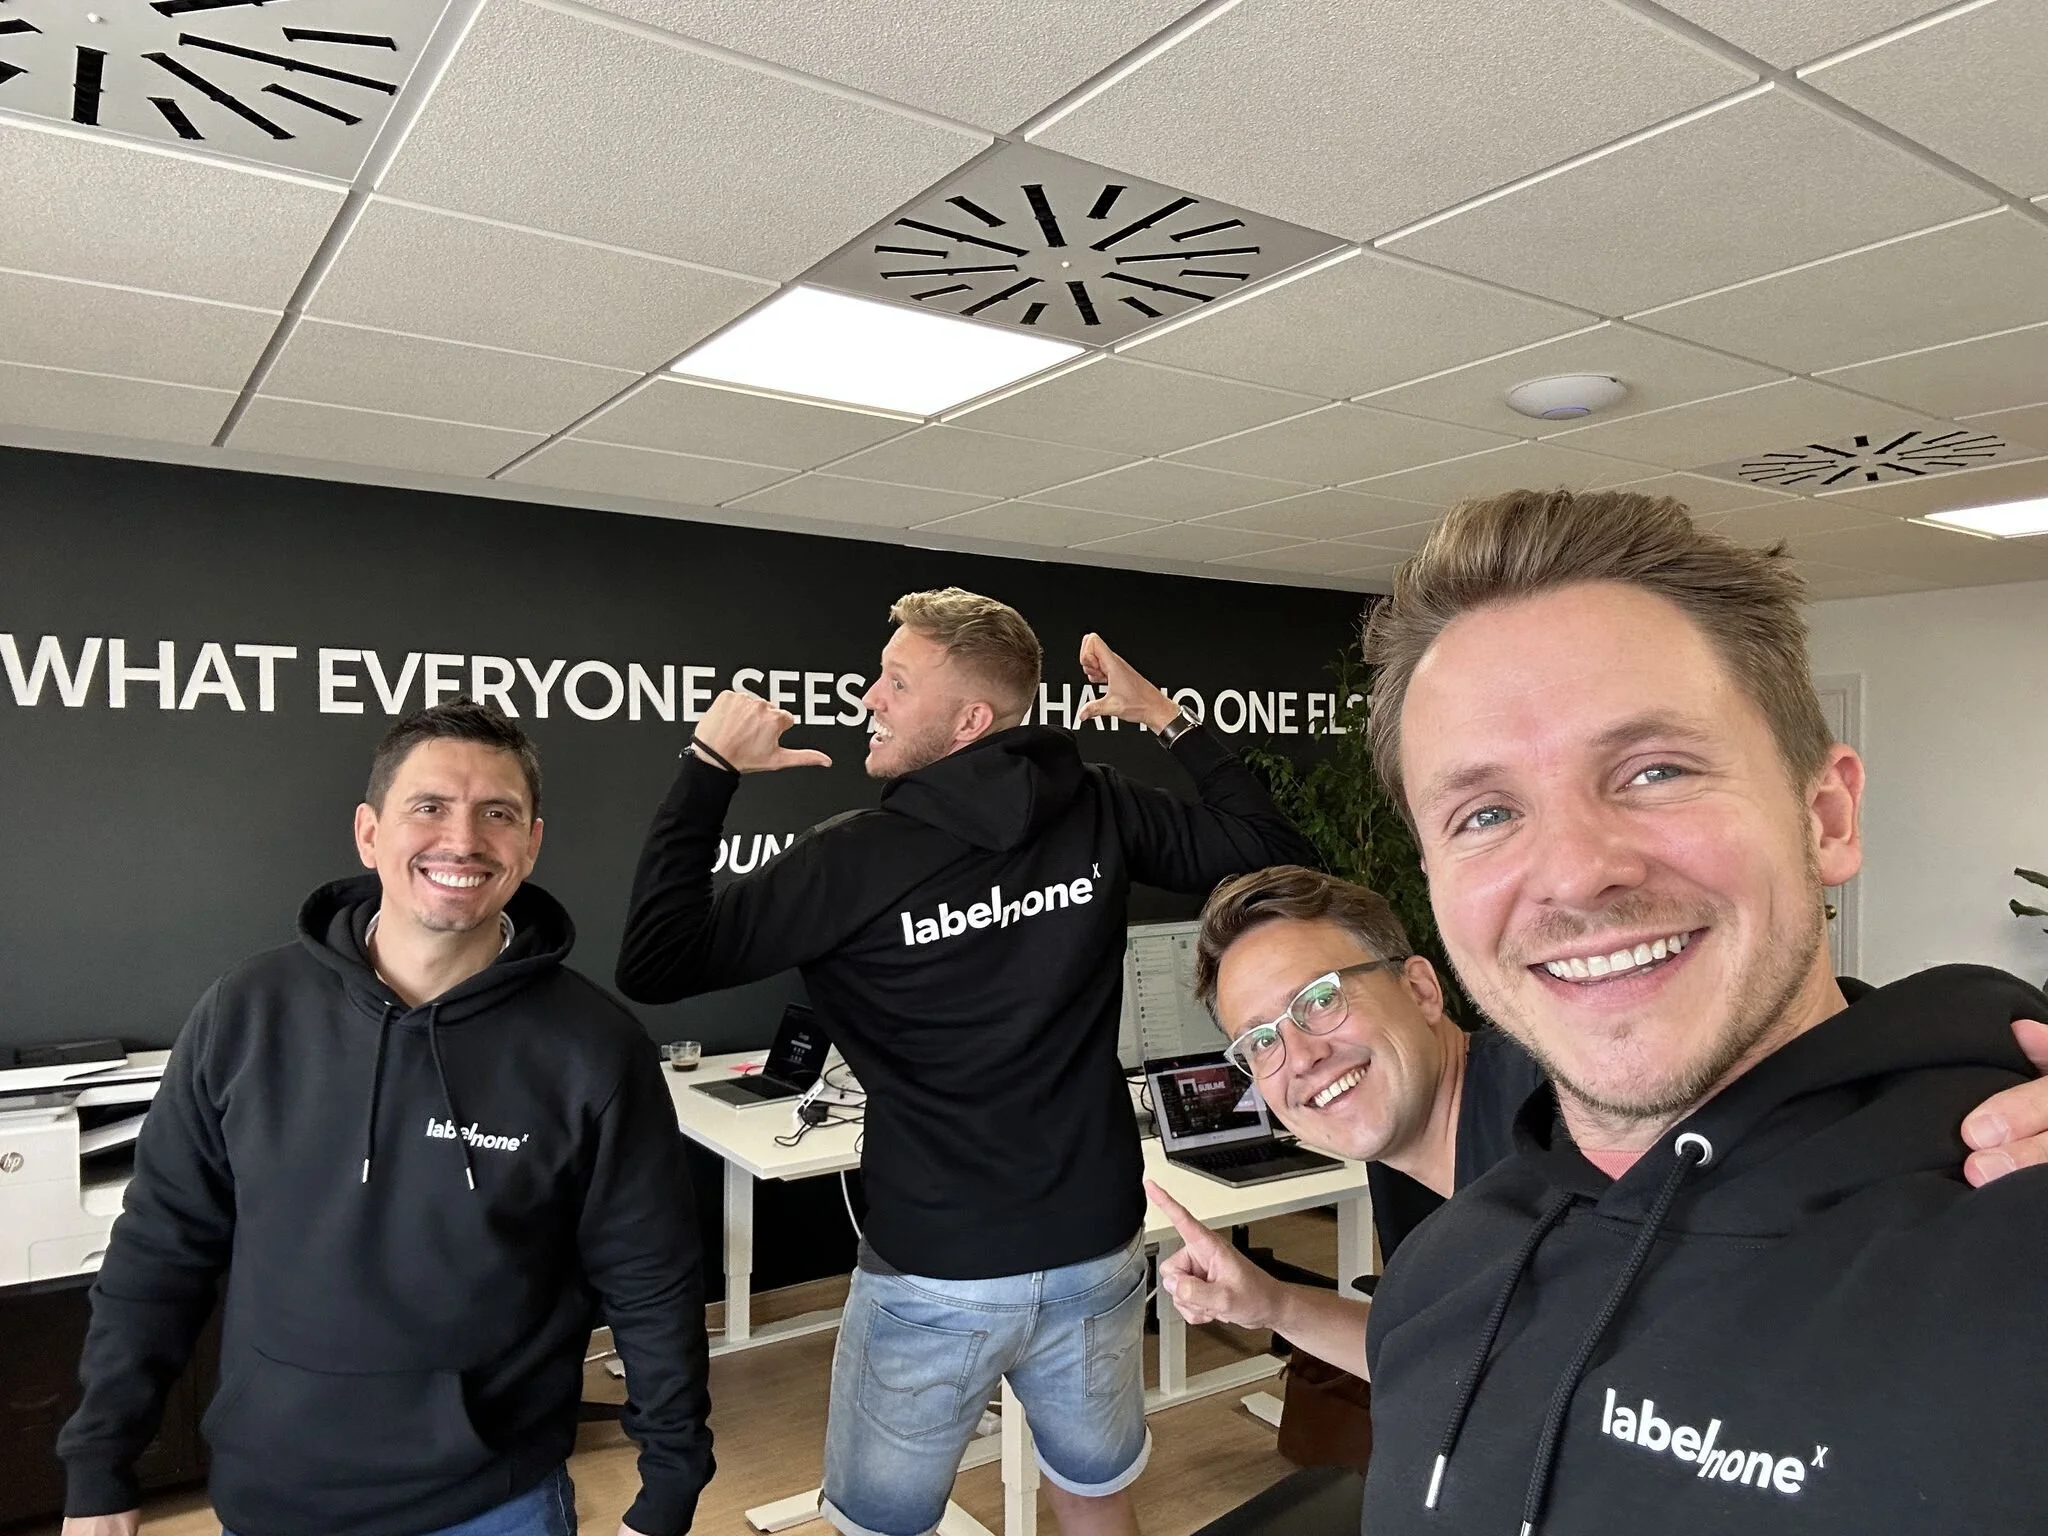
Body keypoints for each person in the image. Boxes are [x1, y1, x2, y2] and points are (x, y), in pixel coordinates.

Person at [1323, 487, 2048, 1534]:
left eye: (1653, 769)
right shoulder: (1439, 1278)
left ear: (1824, 817)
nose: (1573, 873)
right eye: (1483, 813)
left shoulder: (2014, 1249)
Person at [616, 587, 1315, 1536]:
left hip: (937, 1270)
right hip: (1094, 1245)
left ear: (971, 719)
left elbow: (656, 958)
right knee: (1094, 1489)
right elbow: (1274, 848)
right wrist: (1165, 719)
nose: (871, 698)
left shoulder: (849, 859)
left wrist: (708, 768)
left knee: (880, 1523)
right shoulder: (1094, 807)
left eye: (896, 683)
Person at [58, 701, 714, 1536]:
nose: (463, 839)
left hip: (492, 1501)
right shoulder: (248, 1013)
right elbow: (161, 1246)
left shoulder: (593, 1044)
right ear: (369, 834)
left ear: (531, 845)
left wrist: (671, 1482)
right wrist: (101, 1463)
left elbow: (651, 1276)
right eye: (429, 806)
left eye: (498, 813)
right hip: (274, 1492)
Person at [1149, 864, 2048, 1383]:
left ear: (1423, 989)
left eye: (1317, 1002)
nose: (1296, 1056)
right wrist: (1270, 1304)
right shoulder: (1406, 1159)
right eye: (1257, 1041)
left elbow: (1813, 1088)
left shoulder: (1583, 1100)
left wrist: (1961, 1082)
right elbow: (1442, 1356)